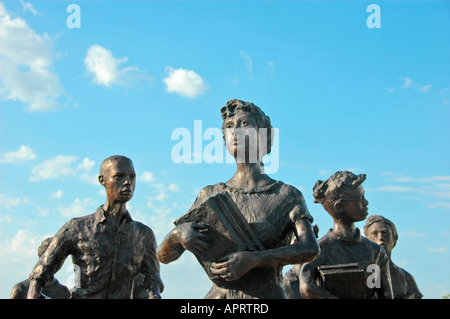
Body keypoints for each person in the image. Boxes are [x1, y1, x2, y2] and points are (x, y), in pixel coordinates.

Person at [157, 99, 319, 299]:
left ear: (264, 136)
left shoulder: (286, 195)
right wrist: (176, 235)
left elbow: (310, 248)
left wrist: (256, 259)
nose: (235, 131)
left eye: (244, 124)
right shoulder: (210, 195)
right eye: (229, 127)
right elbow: (164, 257)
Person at [27, 155, 164, 299]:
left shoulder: (144, 234)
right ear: (102, 180)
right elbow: (40, 272)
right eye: (119, 176)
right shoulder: (76, 228)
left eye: (132, 176)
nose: (127, 182)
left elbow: (153, 279)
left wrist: (154, 294)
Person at [300, 171, 394, 299]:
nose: (366, 203)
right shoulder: (320, 250)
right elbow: (306, 287)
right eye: (360, 199)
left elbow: (385, 294)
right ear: (339, 206)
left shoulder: (375, 252)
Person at [364, 214, 423, 299]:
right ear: (367, 241)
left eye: (384, 233)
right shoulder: (365, 274)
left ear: (394, 239)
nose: (380, 237)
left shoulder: (406, 277)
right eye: (375, 234)